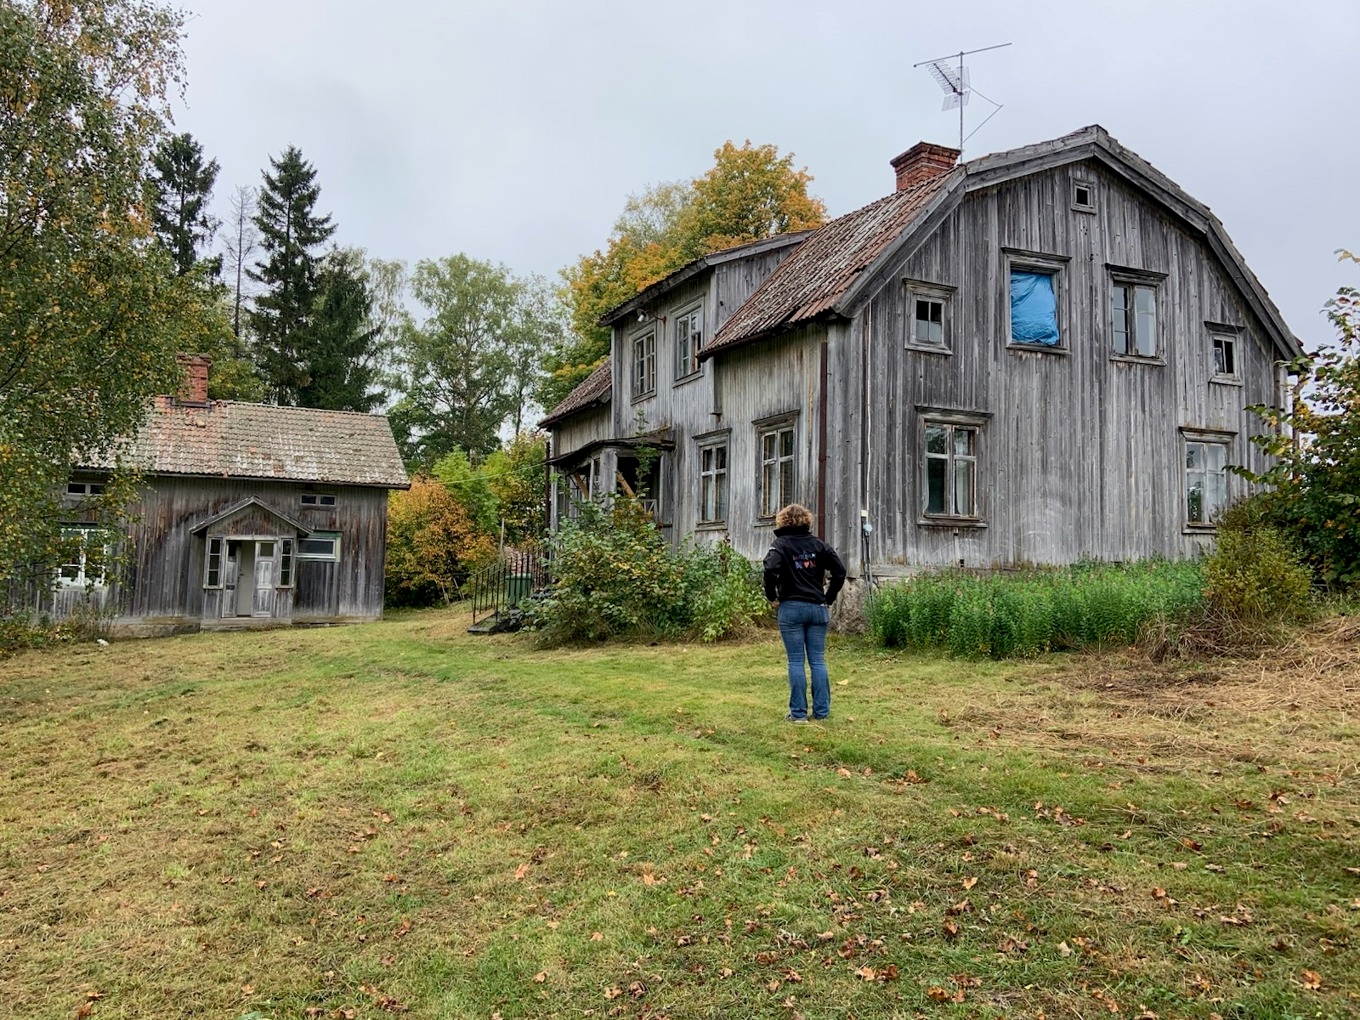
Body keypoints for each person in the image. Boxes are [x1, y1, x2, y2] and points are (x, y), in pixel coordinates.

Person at [763, 503, 847, 722]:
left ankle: (798, 714)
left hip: (791, 608)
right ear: (807, 521)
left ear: (782, 521)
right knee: (818, 661)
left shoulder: (780, 545)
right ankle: (822, 712)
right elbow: (840, 571)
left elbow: (770, 569)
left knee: (796, 661)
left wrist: (771, 595)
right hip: (818, 608)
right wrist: (829, 597)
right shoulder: (819, 545)